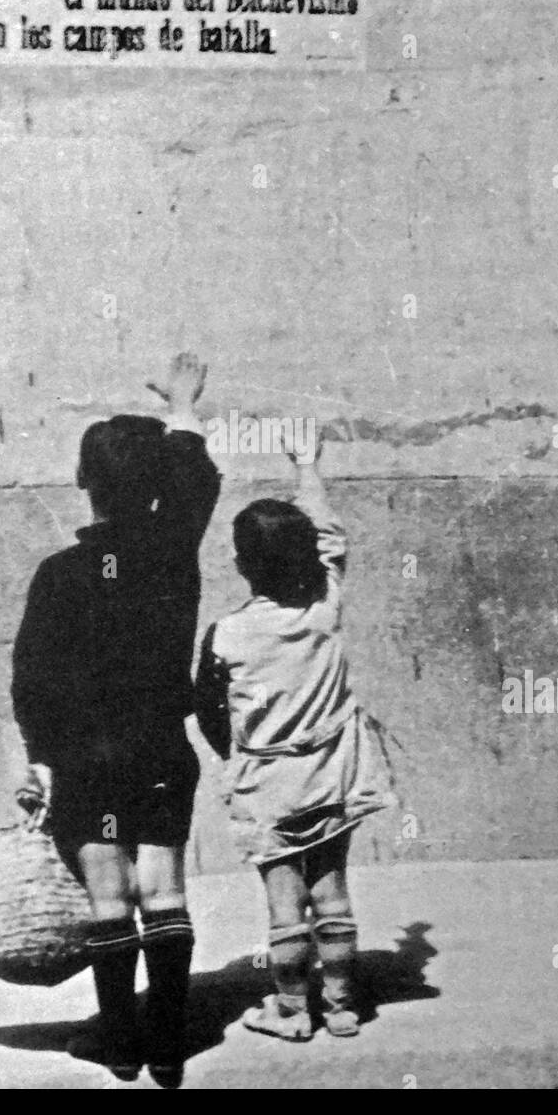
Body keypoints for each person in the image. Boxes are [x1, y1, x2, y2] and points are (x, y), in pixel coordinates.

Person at [12, 353, 220, 1088]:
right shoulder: (172, 558)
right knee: (162, 890)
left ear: (81, 482)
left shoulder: (60, 576)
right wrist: (183, 407)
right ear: (157, 489)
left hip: (87, 760)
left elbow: (32, 679)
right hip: (161, 751)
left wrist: (41, 759)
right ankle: (168, 1046)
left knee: (110, 900)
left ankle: (121, 1043)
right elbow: (197, 481)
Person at [195, 433, 395, 1041]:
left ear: (239, 564)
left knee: (285, 901)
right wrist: (307, 467)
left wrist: (238, 752)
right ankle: (340, 1006)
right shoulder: (324, 607)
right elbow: (331, 537)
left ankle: (289, 1010)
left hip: (268, 781)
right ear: (310, 559)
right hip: (337, 768)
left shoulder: (226, 635)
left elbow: (207, 712)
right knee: (331, 886)